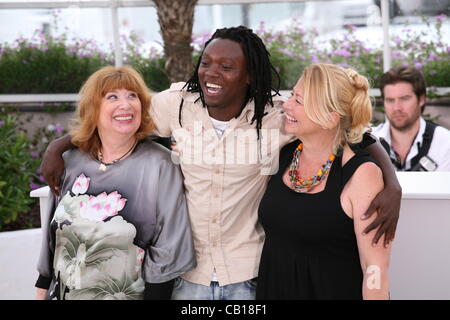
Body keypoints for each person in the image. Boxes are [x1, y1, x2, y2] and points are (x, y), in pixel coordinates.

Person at [39, 26, 400, 300]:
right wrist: (60, 145)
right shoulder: (176, 104)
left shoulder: (278, 115)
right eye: (207, 63)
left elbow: (348, 129)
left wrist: (391, 182)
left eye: (227, 67)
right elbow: (122, 115)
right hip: (187, 279)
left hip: (251, 278)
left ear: (250, 76)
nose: (211, 74)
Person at [35, 66, 196, 300]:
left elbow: (169, 250)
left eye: (133, 96)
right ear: (94, 108)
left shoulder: (161, 164)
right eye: (112, 97)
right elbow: (52, 242)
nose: (126, 104)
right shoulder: (69, 161)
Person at [257, 63, 392, 300]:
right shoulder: (285, 155)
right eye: (292, 95)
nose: (286, 105)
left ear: (330, 119)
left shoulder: (363, 175)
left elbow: (375, 269)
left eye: (298, 100)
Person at [372, 66, 450, 171]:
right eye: (390, 100)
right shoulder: (368, 141)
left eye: (404, 99)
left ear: (421, 99)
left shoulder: (445, 143)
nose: (397, 108)